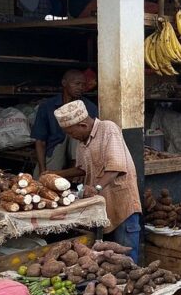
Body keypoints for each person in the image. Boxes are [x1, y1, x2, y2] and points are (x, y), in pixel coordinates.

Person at [47, 101, 142, 261]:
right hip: (102, 210)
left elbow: (115, 167)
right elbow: (82, 169)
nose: (71, 137)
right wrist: (55, 174)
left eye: (71, 133)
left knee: (127, 259)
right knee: (108, 260)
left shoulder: (108, 129)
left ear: (83, 125)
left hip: (121, 206)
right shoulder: (82, 142)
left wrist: (95, 187)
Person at [31, 70, 98, 176]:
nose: (80, 88)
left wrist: (81, 170)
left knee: (77, 132)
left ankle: (76, 170)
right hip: (55, 150)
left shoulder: (90, 108)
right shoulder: (47, 107)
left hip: (80, 152)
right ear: (64, 83)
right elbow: (40, 141)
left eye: (83, 85)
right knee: (41, 182)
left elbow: (93, 140)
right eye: (77, 84)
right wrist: (42, 170)